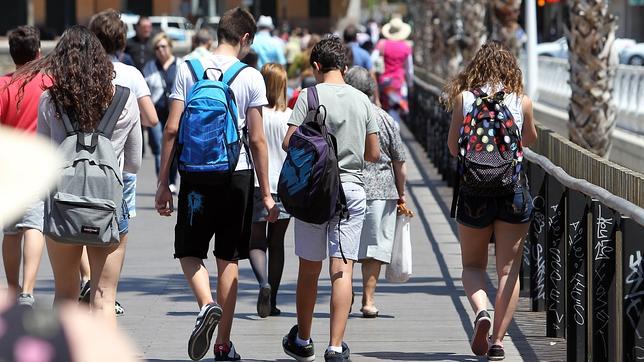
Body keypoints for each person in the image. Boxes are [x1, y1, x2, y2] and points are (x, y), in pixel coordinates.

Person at [154, 7, 278, 361]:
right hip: (235, 175)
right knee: (229, 258)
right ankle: (222, 344)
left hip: (194, 173)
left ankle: (206, 304)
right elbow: (257, 141)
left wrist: (165, 182)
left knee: (190, 251)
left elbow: (172, 129)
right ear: (244, 39)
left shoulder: (187, 69)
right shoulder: (250, 76)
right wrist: (266, 194)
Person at [12, 25, 142, 329]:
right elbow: (134, 163)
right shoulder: (125, 99)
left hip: (62, 204)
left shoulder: (49, 100)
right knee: (103, 296)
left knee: (66, 294)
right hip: (110, 206)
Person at [281, 36, 380, 362]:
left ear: (316, 66)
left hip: (313, 192)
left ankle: (303, 339)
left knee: (309, 270)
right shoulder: (363, 100)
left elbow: (287, 142)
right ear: (346, 67)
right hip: (351, 190)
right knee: (342, 270)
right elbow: (373, 153)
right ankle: (336, 346)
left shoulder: (308, 96)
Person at [445, 41, 538, 360]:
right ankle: (498, 341)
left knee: (472, 266)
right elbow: (528, 141)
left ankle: (481, 311)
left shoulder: (464, 98)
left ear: (477, 68)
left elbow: (454, 148)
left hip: (473, 194)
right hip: (512, 192)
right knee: (509, 269)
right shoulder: (521, 101)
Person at [86, 8, 161, 315]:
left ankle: (87, 281)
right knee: (113, 241)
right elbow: (152, 118)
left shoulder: (80, 72)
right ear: (121, 40)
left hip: (77, 172)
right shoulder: (130, 75)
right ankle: (103, 290)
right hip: (116, 173)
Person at [344, 66, 407, 318]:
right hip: (381, 190)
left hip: (346, 185)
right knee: (374, 247)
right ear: (372, 91)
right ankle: (368, 300)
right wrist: (401, 193)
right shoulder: (384, 119)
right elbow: (399, 163)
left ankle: (343, 295)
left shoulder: (342, 116)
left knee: (344, 246)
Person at [0, 25, 52, 308]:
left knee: (11, 230)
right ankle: (27, 290)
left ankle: (12, 287)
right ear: (38, 52)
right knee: (34, 225)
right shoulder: (48, 82)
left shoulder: (3, 85)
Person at [249, 63, 292, 318]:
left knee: (256, 242)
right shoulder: (290, 117)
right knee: (277, 244)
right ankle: (272, 298)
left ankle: (262, 282)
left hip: (258, 183)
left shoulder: (256, 115)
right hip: (284, 187)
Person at [144, 32, 182, 191]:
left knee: (174, 147)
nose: (160, 50)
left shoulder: (181, 64)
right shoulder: (150, 67)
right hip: (156, 113)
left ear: (170, 47)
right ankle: (163, 182)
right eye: (157, 47)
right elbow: (144, 89)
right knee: (160, 148)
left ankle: (171, 181)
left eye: (163, 46)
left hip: (175, 112)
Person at [375, 15, 413, 123]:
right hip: (398, 85)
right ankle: (394, 137)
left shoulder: (381, 44)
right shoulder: (406, 47)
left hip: (383, 84)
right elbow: (409, 69)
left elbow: (374, 61)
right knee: (395, 113)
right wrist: (410, 85)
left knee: (383, 112)